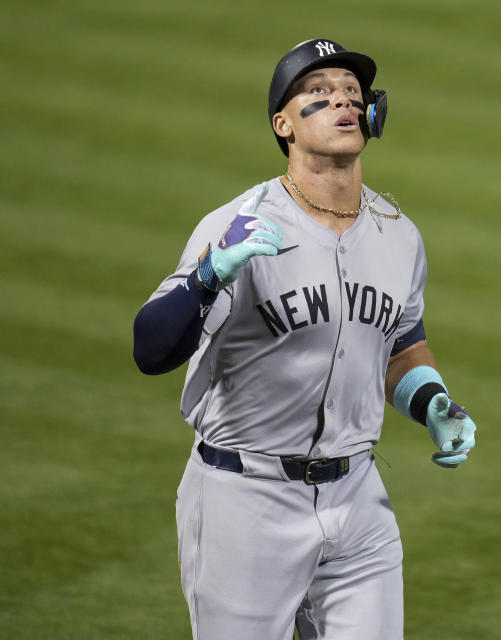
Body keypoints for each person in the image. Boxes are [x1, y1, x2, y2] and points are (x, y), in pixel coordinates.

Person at [132, 38, 477, 640]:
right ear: (282, 125)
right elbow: (150, 350)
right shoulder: (239, 224)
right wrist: (211, 274)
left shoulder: (398, 234)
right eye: (318, 94)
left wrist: (433, 403)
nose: (342, 100)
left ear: (372, 115)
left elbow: (400, 341)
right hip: (246, 499)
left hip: (358, 496)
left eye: (352, 92)